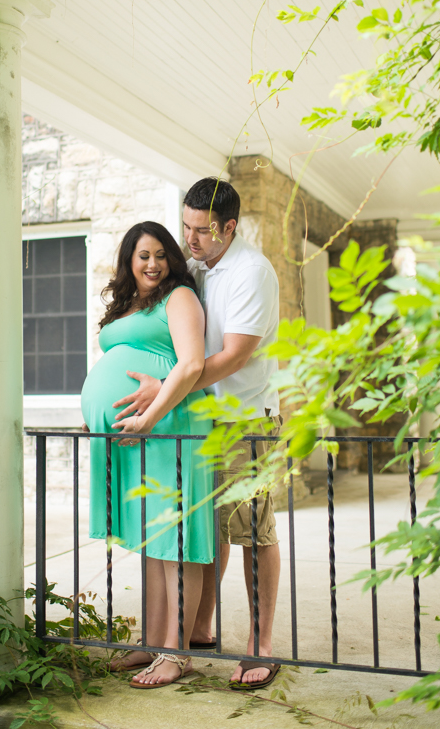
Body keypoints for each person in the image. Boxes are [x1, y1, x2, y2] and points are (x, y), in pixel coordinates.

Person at [112, 179, 281, 690]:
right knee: (210, 530)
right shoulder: (203, 269)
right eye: (186, 226)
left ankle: (260, 646)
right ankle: (200, 629)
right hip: (202, 421)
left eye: (202, 230)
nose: (191, 238)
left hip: (244, 421)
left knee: (253, 532)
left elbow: (233, 356)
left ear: (230, 227)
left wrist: (168, 387)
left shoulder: (250, 271)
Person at [81, 221, 214, 689]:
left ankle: (176, 653)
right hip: (139, 431)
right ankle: (153, 641)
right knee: (151, 540)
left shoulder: (180, 297)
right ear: (129, 262)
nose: (153, 263)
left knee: (175, 541)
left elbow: (192, 362)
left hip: (171, 426)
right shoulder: (130, 304)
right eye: (143, 256)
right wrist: (97, 411)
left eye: (161, 254)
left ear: (172, 259)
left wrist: (151, 416)